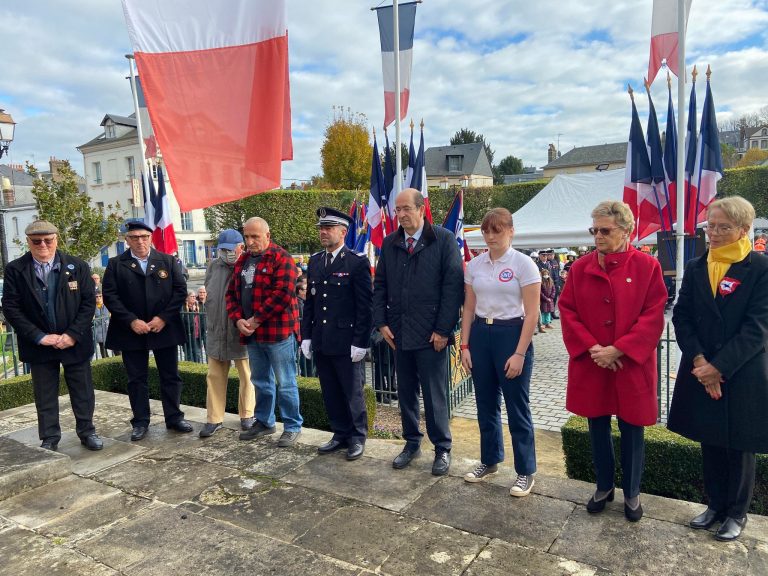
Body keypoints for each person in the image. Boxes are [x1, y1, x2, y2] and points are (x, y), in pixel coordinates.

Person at [559, 201, 667, 522]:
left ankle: (632, 493)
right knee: (597, 426)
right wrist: (595, 348)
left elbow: (653, 316)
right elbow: (568, 311)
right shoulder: (579, 268)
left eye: (605, 230)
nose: (598, 236)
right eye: (594, 230)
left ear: (626, 231)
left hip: (630, 364)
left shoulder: (648, 267)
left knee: (633, 429)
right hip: (593, 364)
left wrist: (619, 349)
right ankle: (603, 487)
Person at [667, 196, 768, 542]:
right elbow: (681, 317)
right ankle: (715, 505)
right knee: (709, 439)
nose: (714, 233)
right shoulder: (697, 267)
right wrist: (698, 361)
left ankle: (736, 513)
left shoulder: (760, 268)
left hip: (741, 373)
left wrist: (718, 368)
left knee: (740, 445)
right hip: (700, 368)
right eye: (711, 225)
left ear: (742, 229)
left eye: (723, 227)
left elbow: (757, 328)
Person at [373, 188, 464, 476]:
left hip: (431, 336)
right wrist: (382, 323)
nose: (400, 215)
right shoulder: (390, 243)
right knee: (406, 393)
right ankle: (412, 442)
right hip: (398, 333)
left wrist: (442, 330)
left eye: (405, 209)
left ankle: (442, 448)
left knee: (434, 394)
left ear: (421, 209)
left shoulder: (443, 239)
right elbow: (381, 285)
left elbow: (453, 288)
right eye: (397, 210)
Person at [2, 220, 103, 451]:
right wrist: (38, 336)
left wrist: (72, 334)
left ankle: (87, 432)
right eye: (36, 241)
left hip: (74, 342)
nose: (43, 245)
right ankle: (49, 437)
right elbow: (11, 308)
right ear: (28, 242)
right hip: (39, 345)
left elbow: (88, 303)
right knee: (45, 395)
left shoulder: (77, 266)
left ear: (57, 239)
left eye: (48, 240)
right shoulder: (15, 270)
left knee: (83, 391)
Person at [459, 208, 540, 496]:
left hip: (511, 333)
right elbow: (468, 308)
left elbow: (532, 314)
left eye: (497, 230)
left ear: (510, 230)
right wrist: (465, 345)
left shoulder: (524, 264)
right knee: (485, 403)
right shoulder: (475, 265)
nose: (491, 236)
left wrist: (519, 353)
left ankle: (525, 471)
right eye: (486, 231)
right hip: (481, 333)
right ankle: (490, 459)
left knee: (517, 406)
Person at [102, 221, 192, 441]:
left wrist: (163, 318)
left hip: (164, 328)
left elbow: (180, 291)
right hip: (131, 330)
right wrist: (131, 321)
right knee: (136, 379)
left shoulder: (168, 261)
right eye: (134, 237)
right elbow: (110, 296)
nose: (140, 241)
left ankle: (174, 417)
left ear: (151, 238)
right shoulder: (115, 264)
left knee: (170, 376)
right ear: (127, 240)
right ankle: (140, 422)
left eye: (144, 237)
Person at [301, 207, 373, 461]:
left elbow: (365, 307)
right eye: (321, 228)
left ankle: (357, 437)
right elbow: (310, 303)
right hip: (322, 340)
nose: (323, 232)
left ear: (343, 232)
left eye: (328, 228)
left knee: (352, 392)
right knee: (330, 391)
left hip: (346, 342)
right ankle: (340, 434)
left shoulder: (356, 262)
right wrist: (306, 336)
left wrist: (361, 342)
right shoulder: (316, 261)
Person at [226, 216, 303, 447]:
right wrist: (238, 319)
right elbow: (231, 294)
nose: (250, 241)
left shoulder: (283, 258)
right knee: (260, 381)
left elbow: (283, 294)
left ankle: (292, 426)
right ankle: (265, 422)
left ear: (267, 236)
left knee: (286, 382)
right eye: (246, 237)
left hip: (278, 334)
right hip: (252, 333)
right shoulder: (243, 261)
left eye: (255, 236)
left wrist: (256, 320)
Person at [198, 229, 256, 438]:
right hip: (216, 329)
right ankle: (214, 418)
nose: (228, 253)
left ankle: (247, 415)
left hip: (241, 331)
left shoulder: (250, 265)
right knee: (214, 376)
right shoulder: (213, 266)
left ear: (242, 246)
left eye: (231, 249)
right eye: (223, 250)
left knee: (247, 376)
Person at [181, 291, 202, 363]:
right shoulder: (183, 308)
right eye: (192, 297)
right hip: (187, 337)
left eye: (195, 297)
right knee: (189, 355)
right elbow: (187, 323)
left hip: (196, 336)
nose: (194, 298)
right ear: (187, 298)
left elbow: (201, 322)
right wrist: (191, 311)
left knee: (197, 355)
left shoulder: (198, 308)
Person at [93, 289, 110, 358]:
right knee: (104, 352)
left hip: (108, 329)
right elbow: (93, 320)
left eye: (100, 296)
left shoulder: (107, 304)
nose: (99, 298)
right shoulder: (93, 307)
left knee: (117, 350)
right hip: (99, 331)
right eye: (96, 296)